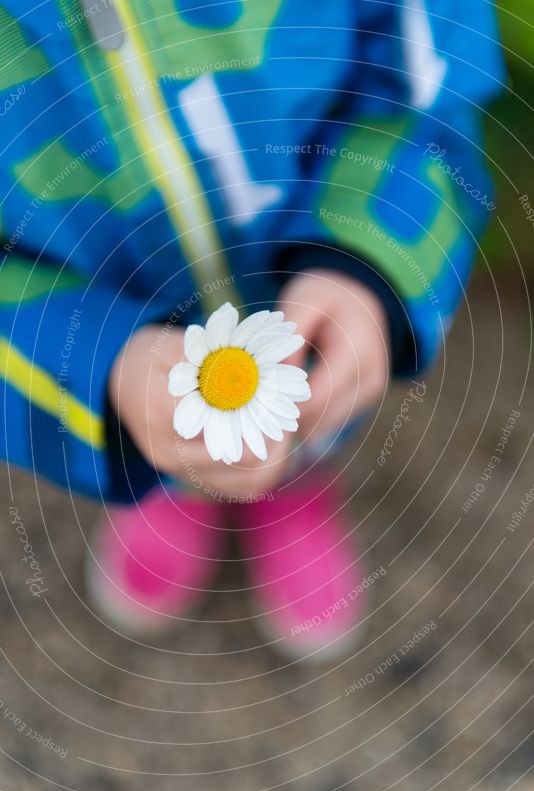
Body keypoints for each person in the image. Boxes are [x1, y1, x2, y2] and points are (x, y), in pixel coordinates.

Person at [0, 0, 504, 659]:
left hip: (308, 286)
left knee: (314, 408)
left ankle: (295, 479)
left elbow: (432, 69)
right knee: (173, 432)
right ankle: (168, 483)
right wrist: (96, 362)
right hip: (102, 309)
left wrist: (372, 259)